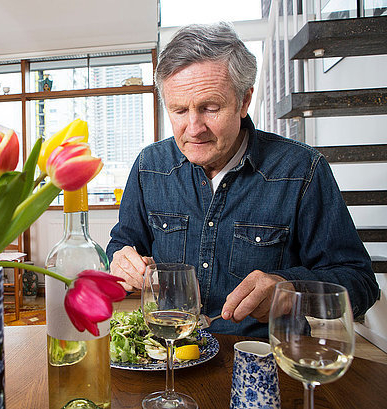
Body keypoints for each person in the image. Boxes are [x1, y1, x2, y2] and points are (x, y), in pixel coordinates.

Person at [106, 22, 379, 337]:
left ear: (245, 101)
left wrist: (289, 289)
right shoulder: (148, 166)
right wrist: (119, 260)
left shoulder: (302, 170)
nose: (193, 128)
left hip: (263, 360)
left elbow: (360, 283)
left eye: (210, 108)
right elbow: (123, 244)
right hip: (170, 353)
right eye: (179, 111)